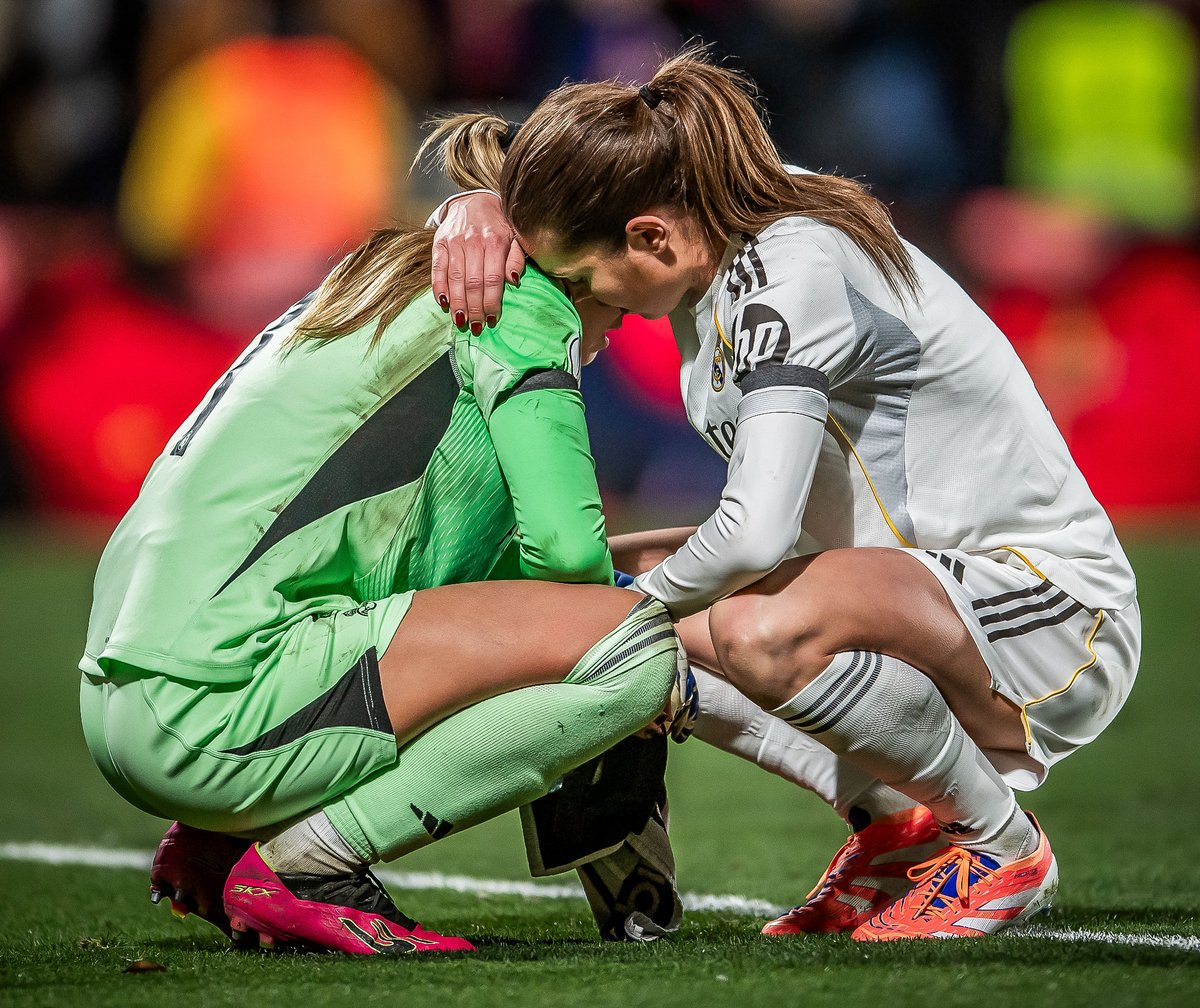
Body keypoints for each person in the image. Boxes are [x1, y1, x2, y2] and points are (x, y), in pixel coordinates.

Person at [424, 48, 1141, 942]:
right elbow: (605, 159)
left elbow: (756, 536)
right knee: (585, 596)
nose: (573, 307)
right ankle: (897, 827)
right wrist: (479, 206)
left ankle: (998, 843)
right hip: (908, 590)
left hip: (1047, 610)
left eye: (575, 282)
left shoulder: (788, 268)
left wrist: (618, 626)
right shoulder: (710, 211)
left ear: (650, 239)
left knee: (740, 625)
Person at [79, 222, 683, 958]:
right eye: (616, 310)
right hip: (212, 706)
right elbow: (562, 563)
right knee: (630, 647)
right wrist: (641, 612)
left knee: (596, 620)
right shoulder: (518, 304)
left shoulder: (388, 276)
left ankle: (229, 833)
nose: (619, 330)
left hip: (136, 692)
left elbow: (424, 581)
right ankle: (309, 869)